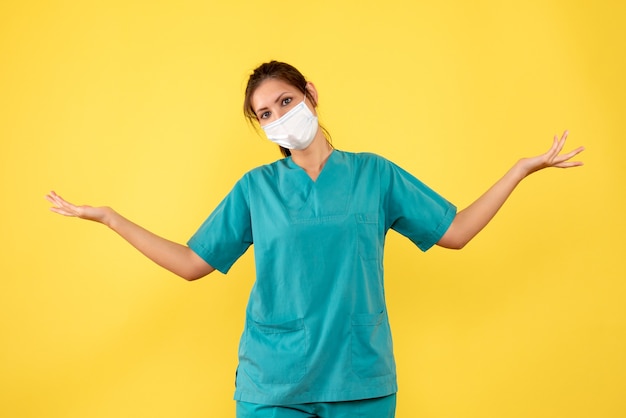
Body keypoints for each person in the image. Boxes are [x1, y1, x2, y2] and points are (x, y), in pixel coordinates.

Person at [46, 61, 584, 418]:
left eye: (284, 101)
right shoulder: (257, 189)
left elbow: (456, 231)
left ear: (310, 95)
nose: (278, 117)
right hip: (274, 384)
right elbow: (192, 262)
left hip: (361, 378)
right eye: (265, 114)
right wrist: (111, 218)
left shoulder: (375, 175)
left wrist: (519, 170)